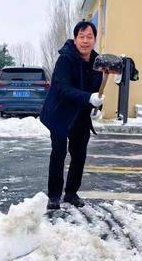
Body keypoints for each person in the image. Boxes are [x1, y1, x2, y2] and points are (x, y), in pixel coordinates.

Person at [40, 20, 108, 210]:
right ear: (75, 38)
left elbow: (97, 88)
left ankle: (71, 193)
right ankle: (54, 196)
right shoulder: (65, 59)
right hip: (59, 114)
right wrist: (89, 98)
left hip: (80, 116)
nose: (85, 41)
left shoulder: (98, 62)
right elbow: (62, 88)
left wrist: (120, 78)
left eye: (89, 37)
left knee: (79, 156)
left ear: (95, 39)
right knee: (59, 154)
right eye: (82, 36)